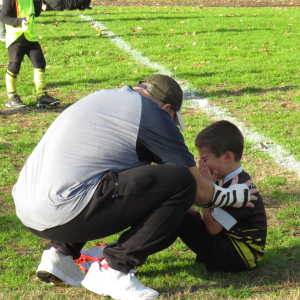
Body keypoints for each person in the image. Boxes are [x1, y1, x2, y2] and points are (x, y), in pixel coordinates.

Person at [12, 75, 257, 300]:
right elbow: (199, 192)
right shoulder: (154, 116)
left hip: (28, 208)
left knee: (113, 170)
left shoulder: (103, 96)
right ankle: (114, 268)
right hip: (65, 210)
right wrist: (231, 195)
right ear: (166, 109)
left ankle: (59, 255)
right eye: (173, 120)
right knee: (180, 181)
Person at [175, 120, 267, 273]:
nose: (201, 165)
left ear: (226, 157)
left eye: (205, 159)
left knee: (178, 216)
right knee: (181, 212)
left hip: (240, 256)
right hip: (232, 247)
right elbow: (211, 221)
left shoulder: (240, 187)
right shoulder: (224, 179)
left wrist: (207, 197)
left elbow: (212, 228)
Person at [0, 0, 60, 108]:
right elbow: (3, 17)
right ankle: (11, 97)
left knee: (40, 63)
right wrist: (19, 21)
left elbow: (36, 13)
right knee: (14, 66)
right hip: (15, 37)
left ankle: (41, 96)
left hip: (30, 36)